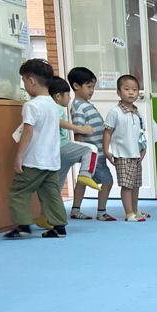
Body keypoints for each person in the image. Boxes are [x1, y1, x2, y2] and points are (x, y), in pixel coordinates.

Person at [4, 59, 69, 239]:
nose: (25, 85)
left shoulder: (31, 105)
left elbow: (27, 132)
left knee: (19, 191)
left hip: (34, 159)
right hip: (52, 160)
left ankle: (23, 226)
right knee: (51, 193)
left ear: (31, 81)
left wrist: (19, 156)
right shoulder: (53, 105)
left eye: (24, 81)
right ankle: (59, 227)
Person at [67, 67, 117, 220]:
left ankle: (75, 209)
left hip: (95, 153)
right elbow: (78, 131)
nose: (92, 91)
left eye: (93, 87)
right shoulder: (78, 107)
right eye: (89, 87)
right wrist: (80, 152)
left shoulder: (85, 104)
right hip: (94, 154)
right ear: (76, 86)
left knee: (82, 179)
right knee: (107, 181)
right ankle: (101, 212)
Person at [102, 75, 148, 223]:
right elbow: (107, 132)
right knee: (127, 186)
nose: (131, 92)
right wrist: (107, 151)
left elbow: (141, 133)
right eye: (126, 89)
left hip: (136, 154)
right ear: (118, 92)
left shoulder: (137, 111)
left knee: (135, 185)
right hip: (122, 154)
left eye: (134, 89)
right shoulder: (115, 112)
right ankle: (129, 213)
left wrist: (143, 149)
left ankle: (134, 210)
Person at [49, 76, 101, 205]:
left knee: (57, 184)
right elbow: (57, 121)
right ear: (58, 96)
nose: (69, 98)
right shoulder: (56, 107)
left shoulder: (49, 107)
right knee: (90, 149)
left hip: (56, 152)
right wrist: (80, 128)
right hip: (61, 146)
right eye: (68, 95)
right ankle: (85, 175)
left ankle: (49, 212)